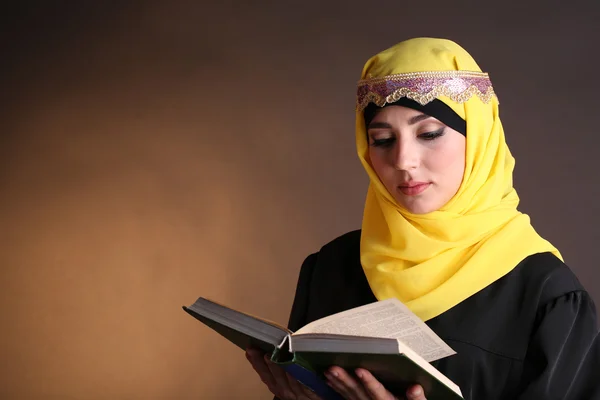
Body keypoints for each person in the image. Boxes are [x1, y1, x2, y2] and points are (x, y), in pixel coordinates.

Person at [246, 37, 600, 400]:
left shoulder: (545, 296)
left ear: (479, 137)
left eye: (429, 134)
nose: (403, 160)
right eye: (382, 139)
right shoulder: (331, 268)